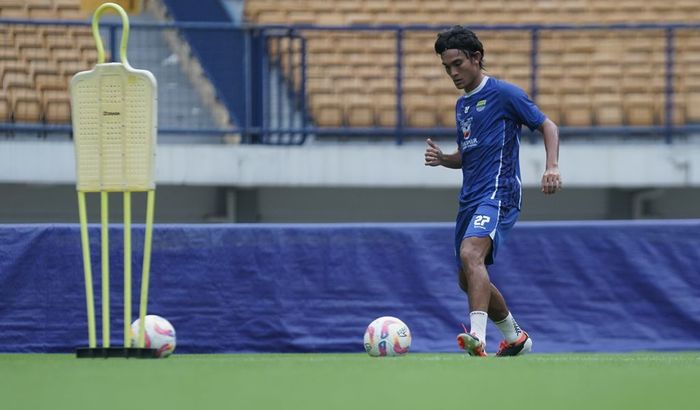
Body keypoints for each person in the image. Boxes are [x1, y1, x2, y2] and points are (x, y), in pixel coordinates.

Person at [424, 26, 562, 357]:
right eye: (447, 68)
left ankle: (477, 337)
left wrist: (552, 166)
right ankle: (515, 337)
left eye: (457, 64)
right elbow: (468, 153)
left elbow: (548, 125)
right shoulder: (463, 106)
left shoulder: (504, 94)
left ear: (477, 58)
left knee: (471, 255)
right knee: (467, 276)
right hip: (470, 197)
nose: (453, 73)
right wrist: (445, 159)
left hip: (499, 192)